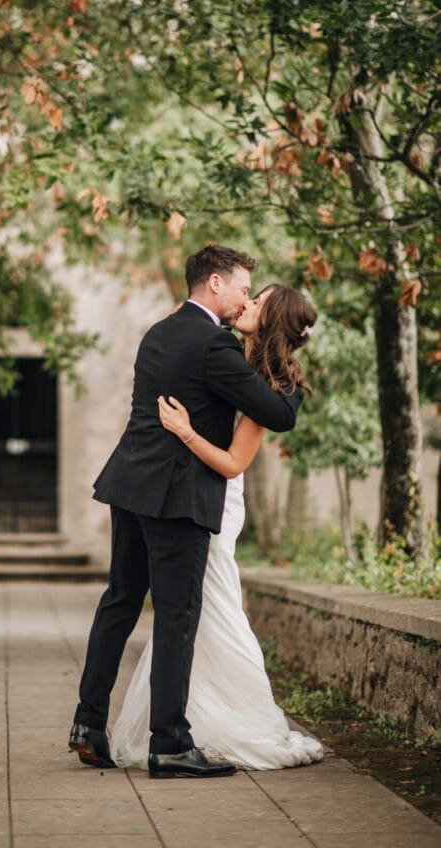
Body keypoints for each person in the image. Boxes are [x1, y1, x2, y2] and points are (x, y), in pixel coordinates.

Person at [69, 245, 305, 780]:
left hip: (128, 484)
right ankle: (170, 744)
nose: (247, 295)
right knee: (177, 617)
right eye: (243, 286)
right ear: (215, 284)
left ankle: (87, 723)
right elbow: (276, 413)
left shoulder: (158, 332)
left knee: (120, 601)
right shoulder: (214, 346)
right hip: (177, 499)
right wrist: (294, 373)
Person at [111, 283, 325, 771]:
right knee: (190, 616)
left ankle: (202, 725)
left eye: (258, 301)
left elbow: (232, 464)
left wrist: (185, 433)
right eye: (249, 294)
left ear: (270, 320)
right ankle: (177, 727)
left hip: (214, 500)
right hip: (189, 494)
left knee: (213, 610)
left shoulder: (267, 382)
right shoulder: (225, 353)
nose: (246, 303)